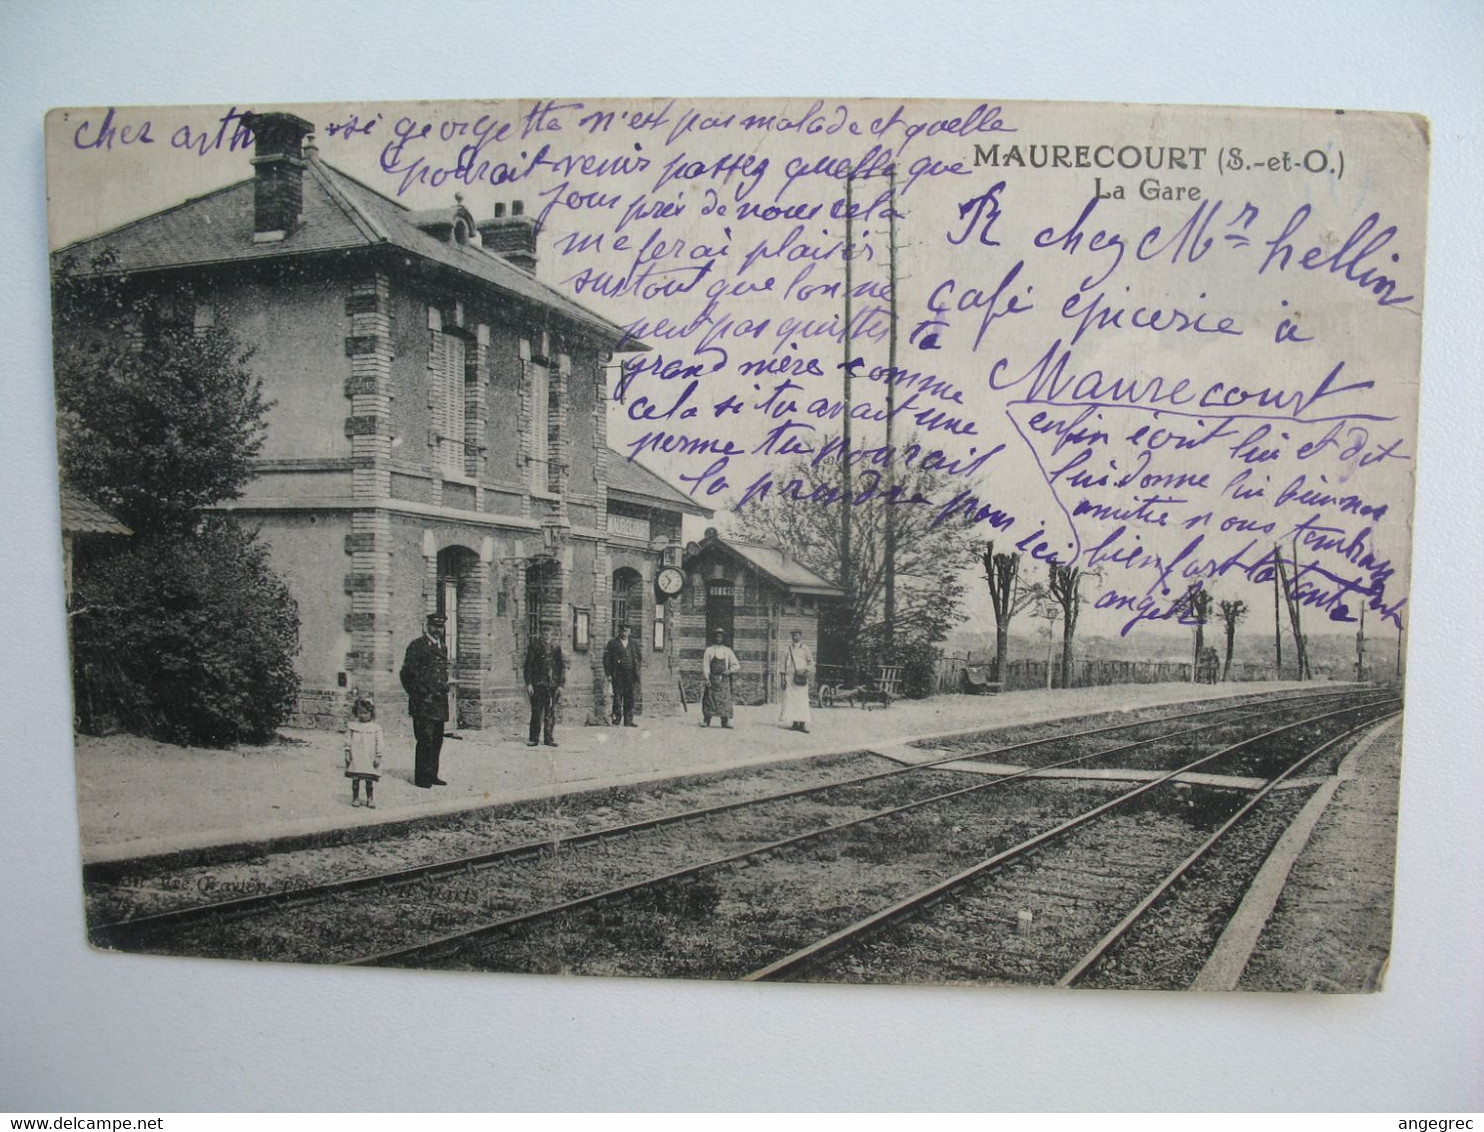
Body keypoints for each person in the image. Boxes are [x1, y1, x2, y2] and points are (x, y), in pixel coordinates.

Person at [399, 613, 450, 788]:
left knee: (437, 740)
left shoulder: (442, 647)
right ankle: (421, 777)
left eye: (441, 627)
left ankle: (432, 774)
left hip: (439, 703)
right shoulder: (417, 646)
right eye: (435, 627)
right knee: (425, 739)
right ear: (427, 626)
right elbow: (406, 674)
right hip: (423, 703)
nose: (438, 630)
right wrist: (418, 694)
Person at [524, 621, 566, 747]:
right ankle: (534, 738)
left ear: (552, 634)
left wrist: (561, 685)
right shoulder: (535, 646)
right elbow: (528, 666)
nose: (546, 635)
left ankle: (549, 738)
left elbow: (561, 667)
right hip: (538, 683)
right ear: (541, 633)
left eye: (549, 632)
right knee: (537, 711)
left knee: (550, 712)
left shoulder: (556, 648)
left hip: (552, 684)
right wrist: (529, 683)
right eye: (544, 632)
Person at [343, 695, 384, 808]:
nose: (363, 715)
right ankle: (355, 797)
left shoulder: (375, 728)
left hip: (368, 756)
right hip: (356, 756)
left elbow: (379, 743)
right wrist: (347, 752)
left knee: (368, 780)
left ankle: (370, 798)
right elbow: (348, 740)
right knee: (355, 779)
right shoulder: (353, 726)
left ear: (371, 713)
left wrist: (378, 756)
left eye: (365, 713)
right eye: (360, 713)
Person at [603, 622, 642, 727]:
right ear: (619, 631)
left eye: (626, 630)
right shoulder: (612, 643)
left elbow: (638, 657)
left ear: (629, 632)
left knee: (630, 697)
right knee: (617, 697)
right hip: (617, 675)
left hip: (630, 674)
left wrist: (636, 670)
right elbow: (606, 660)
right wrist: (609, 674)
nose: (624, 633)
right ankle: (617, 718)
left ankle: (628, 720)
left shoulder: (633, 644)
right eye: (622, 630)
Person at [700, 628, 741, 729]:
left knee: (725, 701)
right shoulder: (709, 650)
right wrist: (707, 678)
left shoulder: (727, 651)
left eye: (720, 636)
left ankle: (725, 721)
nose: (718, 638)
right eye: (717, 636)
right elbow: (705, 665)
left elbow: (736, 665)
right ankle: (706, 720)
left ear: (723, 638)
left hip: (723, 680)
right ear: (714, 637)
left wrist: (729, 671)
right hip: (712, 679)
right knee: (709, 700)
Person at [779, 628, 814, 733]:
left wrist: (805, 670)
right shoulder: (787, 649)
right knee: (791, 700)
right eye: (793, 635)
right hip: (790, 679)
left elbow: (811, 662)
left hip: (801, 679)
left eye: (797, 635)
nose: (795, 637)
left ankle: (802, 724)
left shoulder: (805, 649)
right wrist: (782, 679)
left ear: (800, 636)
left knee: (802, 701)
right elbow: (782, 665)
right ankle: (794, 723)